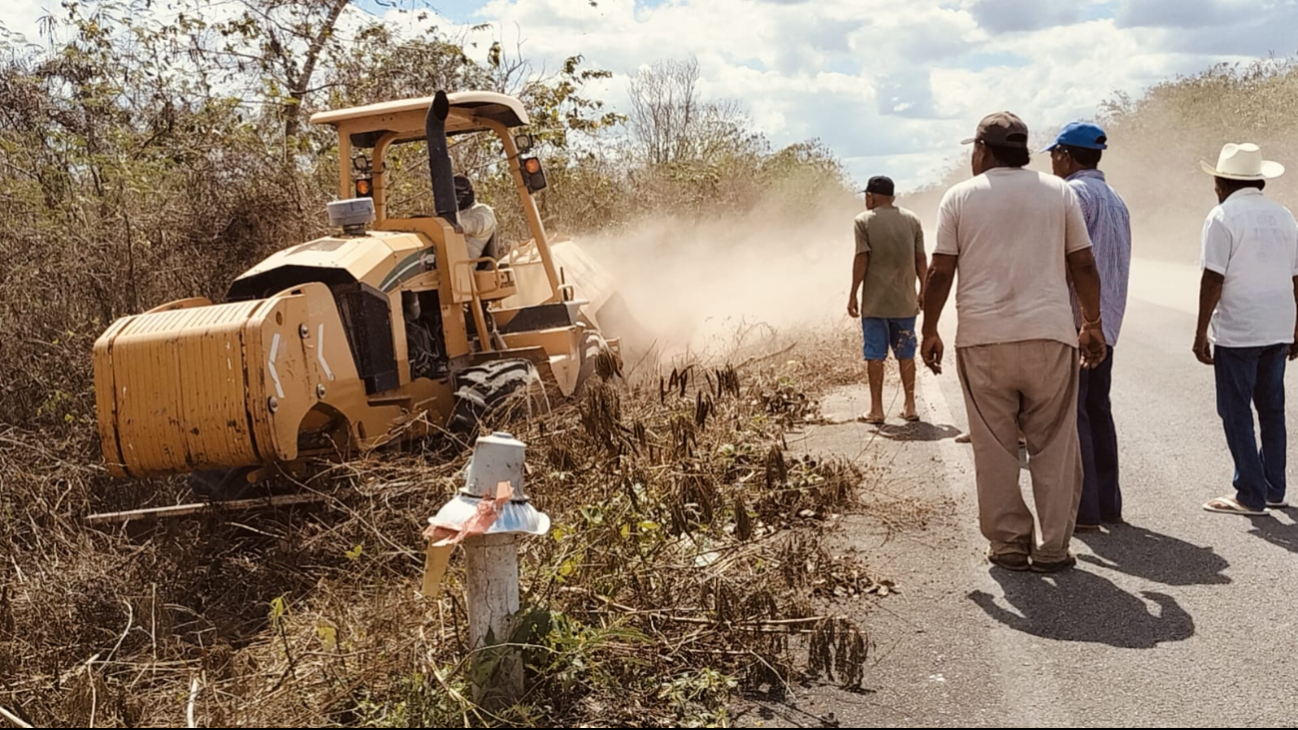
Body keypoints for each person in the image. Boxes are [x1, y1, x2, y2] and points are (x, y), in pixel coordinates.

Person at [920, 111, 1106, 573]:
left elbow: (941, 269)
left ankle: (1007, 545)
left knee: (995, 446)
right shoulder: (1058, 191)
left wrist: (929, 329)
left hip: (983, 340)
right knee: (1055, 446)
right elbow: (1083, 264)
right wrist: (1093, 323)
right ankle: (1053, 547)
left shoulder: (959, 198)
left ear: (982, 150)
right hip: (1049, 337)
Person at [1194, 143, 1298, 516]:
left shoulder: (1221, 216)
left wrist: (1200, 332)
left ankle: (1249, 494)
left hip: (1240, 328)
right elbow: (1297, 276)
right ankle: (1273, 488)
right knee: (1271, 408)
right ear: (1258, 180)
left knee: (1235, 409)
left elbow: (1213, 278)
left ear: (1221, 182)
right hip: (1279, 325)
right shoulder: (1284, 215)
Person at [1045, 122, 1132, 531]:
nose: (1051, 161)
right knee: (1099, 408)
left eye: (1054, 154)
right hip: (1107, 323)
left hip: (1080, 320)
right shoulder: (1116, 198)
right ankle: (1108, 504)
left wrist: (1083, 319)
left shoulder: (1072, 195)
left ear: (1066, 154)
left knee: (1074, 412)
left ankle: (1084, 510)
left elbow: (1074, 261)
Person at [848, 176, 927, 424]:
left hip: (875, 303)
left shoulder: (863, 221)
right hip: (905, 300)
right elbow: (921, 258)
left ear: (870, 196)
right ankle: (910, 405)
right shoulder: (912, 220)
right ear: (891, 197)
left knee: (875, 354)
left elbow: (862, 258)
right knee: (906, 352)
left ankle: (876, 409)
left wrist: (853, 293)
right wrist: (924, 288)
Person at [454, 174, 498, 260]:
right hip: (448, 259)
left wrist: (451, 225)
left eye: (458, 194)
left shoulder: (483, 210)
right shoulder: (457, 213)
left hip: (467, 264)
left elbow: (473, 224)